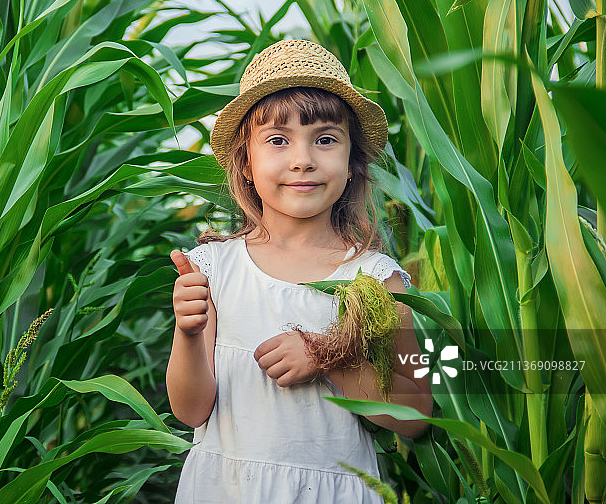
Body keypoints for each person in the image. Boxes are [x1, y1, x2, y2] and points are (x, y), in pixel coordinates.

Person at [166, 39, 433, 503]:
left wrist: (328, 360)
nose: (303, 159)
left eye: (325, 139)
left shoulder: (377, 279)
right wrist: (188, 333)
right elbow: (191, 411)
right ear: (246, 163)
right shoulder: (213, 270)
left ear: (351, 163)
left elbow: (417, 411)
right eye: (278, 140)